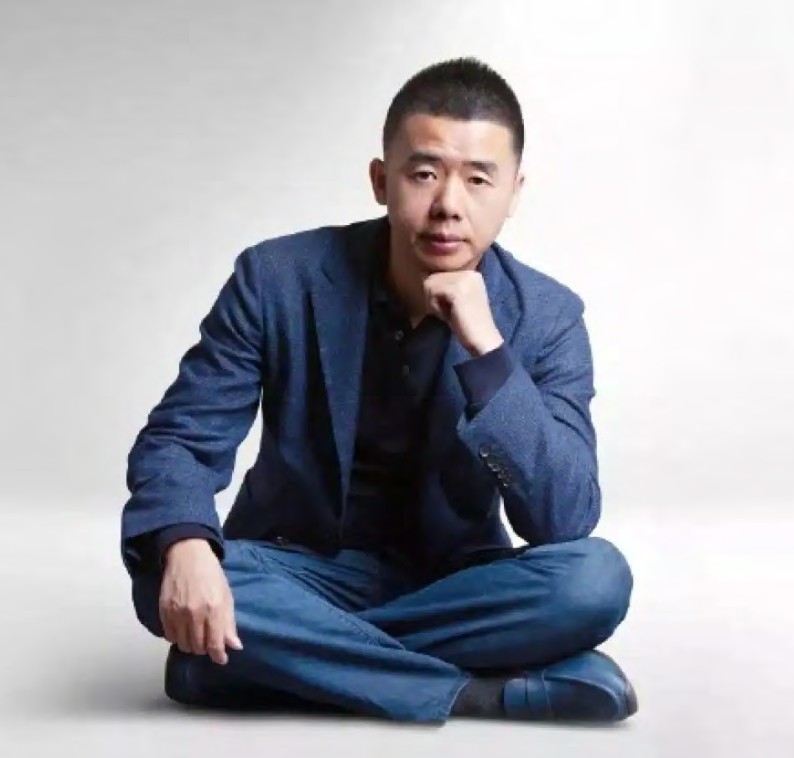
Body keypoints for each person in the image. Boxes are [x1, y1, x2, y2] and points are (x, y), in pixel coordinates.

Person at [120, 57, 637, 724]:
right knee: (164, 566)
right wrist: (188, 548)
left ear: (513, 192)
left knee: (594, 580)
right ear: (380, 180)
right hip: (299, 566)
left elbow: (564, 518)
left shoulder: (547, 316)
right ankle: (473, 691)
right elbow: (179, 440)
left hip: (456, 582)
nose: (449, 204)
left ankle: (265, 663)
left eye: (479, 179)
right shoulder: (276, 278)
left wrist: (488, 352)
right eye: (424, 174)